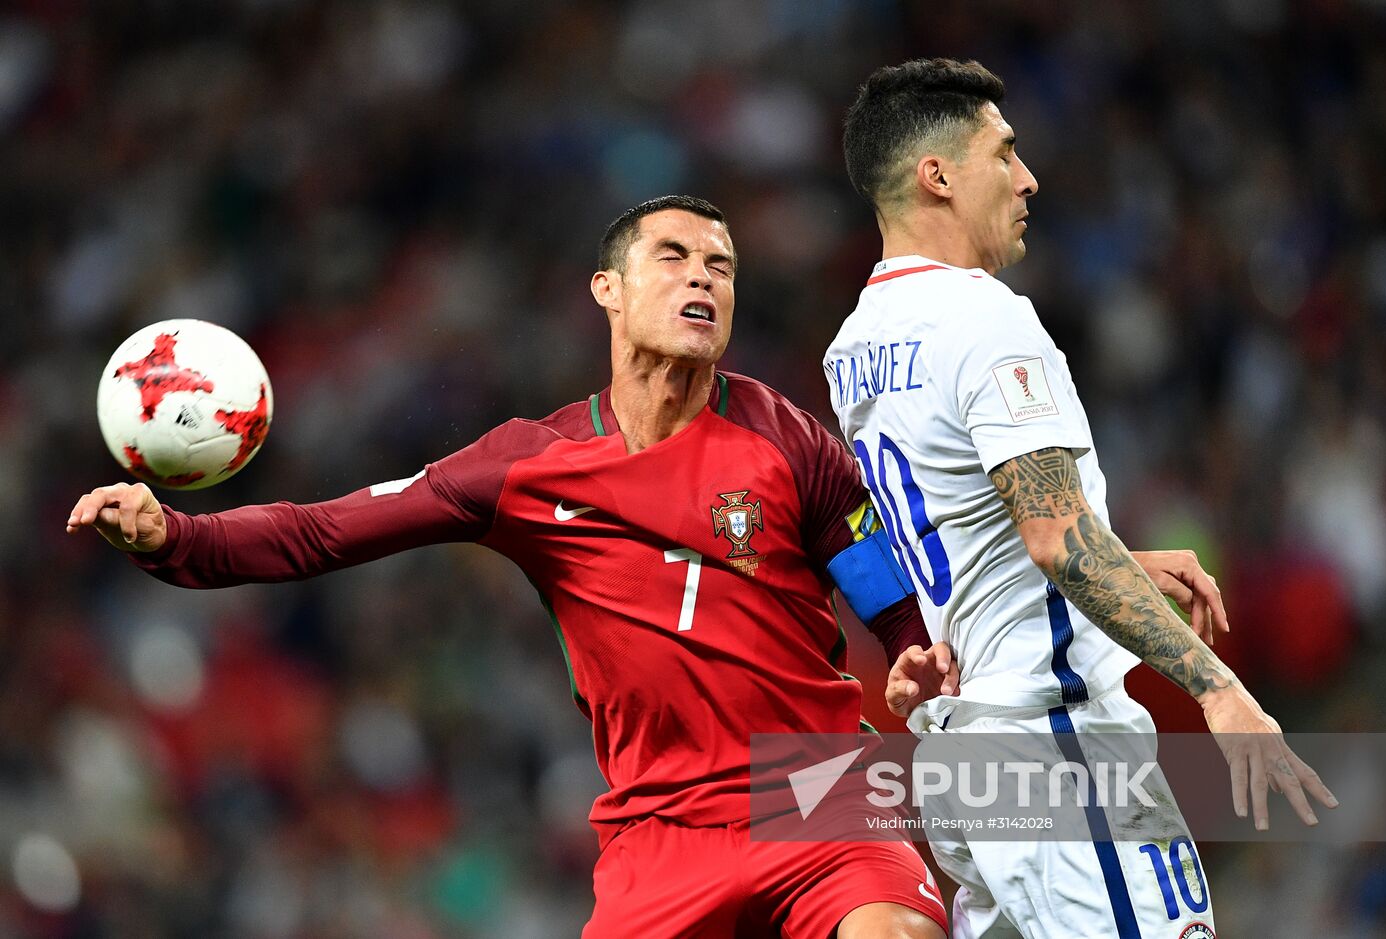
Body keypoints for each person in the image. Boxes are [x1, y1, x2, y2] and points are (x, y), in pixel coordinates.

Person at [70, 195, 956, 938]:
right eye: (675, 256)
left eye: (721, 266)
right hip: (657, 829)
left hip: (815, 787)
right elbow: (323, 531)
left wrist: (915, 648)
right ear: (607, 290)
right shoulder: (528, 466)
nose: (703, 277)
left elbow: (884, 587)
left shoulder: (787, 439)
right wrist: (175, 539)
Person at [826, 59, 1337, 938]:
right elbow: (1057, 540)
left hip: (968, 761)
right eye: (1005, 152)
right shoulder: (983, 318)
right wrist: (1218, 689)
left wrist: (1120, 562)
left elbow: (961, 528)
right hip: (1057, 743)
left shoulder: (855, 348)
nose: (1028, 178)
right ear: (937, 175)